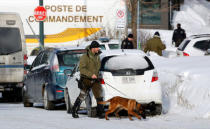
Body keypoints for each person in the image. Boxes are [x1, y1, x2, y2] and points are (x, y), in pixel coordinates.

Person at [72, 41, 104, 119]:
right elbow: (82, 69)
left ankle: (100, 113)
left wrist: (97, 76)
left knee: (99, 95)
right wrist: (91, 74)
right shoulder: (85, 57)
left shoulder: (97, 56)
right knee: (83, 95)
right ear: (93, 48)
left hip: (95, 79)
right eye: (97, 47)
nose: (98, 49)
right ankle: (74, 110)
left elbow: (98, 68)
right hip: (86, 79)